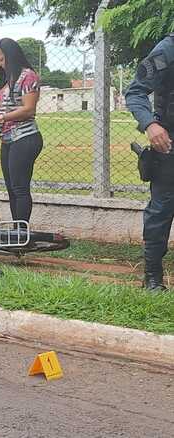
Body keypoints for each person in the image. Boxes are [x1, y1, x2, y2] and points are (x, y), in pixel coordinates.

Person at [125, 32, 174, 292]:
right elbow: (135, 92)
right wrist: (150, 124)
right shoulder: (167, 49)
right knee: (161, 212)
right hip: (169, 145)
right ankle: (153, 276)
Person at [0, 38, 43, 228]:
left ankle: (21, 232)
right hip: (8, 140)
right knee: (12, 189)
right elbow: (9, 110)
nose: (0, 64)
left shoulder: (28, 76)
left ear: (12, 56)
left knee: (20, 188)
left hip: (25, 138)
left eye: (1, 59)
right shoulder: (9, 80)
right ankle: (17, 231)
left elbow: (28, 110)